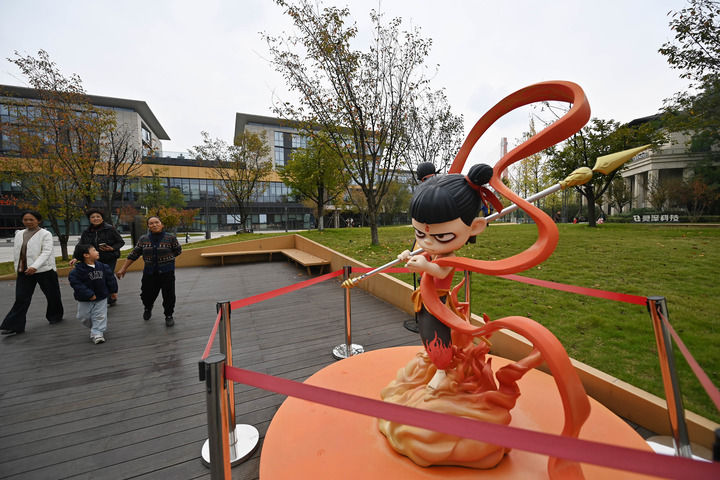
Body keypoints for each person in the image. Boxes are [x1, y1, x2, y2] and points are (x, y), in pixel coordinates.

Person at [397, 164, 497, 388]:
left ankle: (442, 369)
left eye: (442, 236)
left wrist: (425, 266)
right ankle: (436, 362)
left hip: (439, 303)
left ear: (475, 227)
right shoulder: (430, 250)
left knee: (436, 334)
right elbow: (421, 253)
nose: (427, 242)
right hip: (424, 301)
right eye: (419, 233)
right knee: (425, 333)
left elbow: (441, 271)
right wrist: (407, 255)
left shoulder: (449, 256)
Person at [1, 211, 64, 335]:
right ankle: (14, 325)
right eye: (25, 220)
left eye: (31, 219)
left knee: (53, 295)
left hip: (44, 270)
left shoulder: (45, 234)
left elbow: (46, 252)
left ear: (38, 220)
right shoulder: (19, 234)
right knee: (21, 298)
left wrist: (35, 266)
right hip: (24, 271)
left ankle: (55, 316)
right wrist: (19, 267)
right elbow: (18, 252)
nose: (28, 222)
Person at [116, 216, 182, 327]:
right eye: (151, 223)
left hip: (167, 272)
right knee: (146, 294)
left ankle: (169, 315)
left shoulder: (170, 238)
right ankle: (148, 307)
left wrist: (167, 259)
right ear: (148, 226)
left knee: (169, 295)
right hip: (149, 272)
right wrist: (123, 268)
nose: (154, 225)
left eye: (157, 222)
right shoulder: (143, 239)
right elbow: (134, 254)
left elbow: (178, 250)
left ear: (162, 224)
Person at [71, 209, 124, 305]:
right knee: (96, 278)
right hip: (93, 259)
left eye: (98, 216)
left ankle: (110, 296)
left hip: (109, 258)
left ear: (102, 218)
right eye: (93, 217)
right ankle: (99, 296)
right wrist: (76, 257)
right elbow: (81, 245)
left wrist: (112, 248)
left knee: (107, 276)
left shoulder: (110, 229)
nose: (96, 218)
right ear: (89, 219)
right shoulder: (86, 232)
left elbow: (121, 242)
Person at [68, 244, 118, 344]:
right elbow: (77, 285)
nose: (97, 252)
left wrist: (113, 291)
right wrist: (89, 294)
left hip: (101, 296)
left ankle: (98, 333)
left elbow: (111, 280)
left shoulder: (103, 267)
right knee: (83, 317)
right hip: (85, 299)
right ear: (86, 255)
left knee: (100, 316)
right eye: (94, 250)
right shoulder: (77, 272)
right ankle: (96, 327)